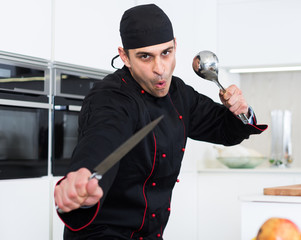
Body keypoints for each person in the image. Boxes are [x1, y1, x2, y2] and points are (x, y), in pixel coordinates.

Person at [54, 4, 267, 239]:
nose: (160, 69)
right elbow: (103, 136)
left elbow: (226, 130)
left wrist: (240, 111)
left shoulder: (181, 95)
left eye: (166, 53)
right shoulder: (110, 97)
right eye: (145, 57)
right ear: (125, 56)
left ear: (175, 46)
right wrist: (82, 176)